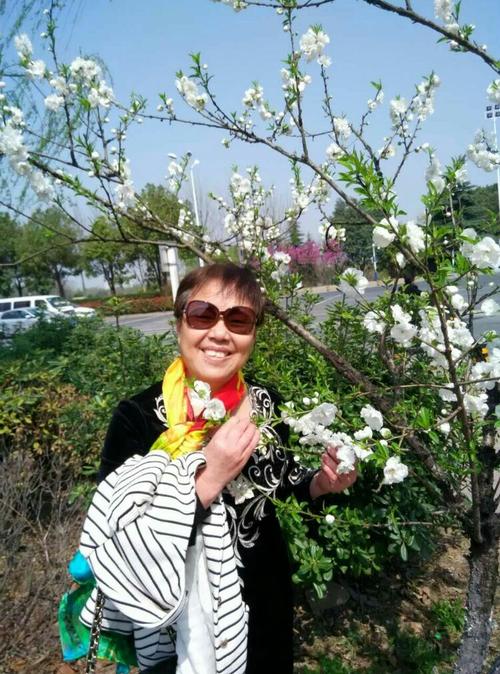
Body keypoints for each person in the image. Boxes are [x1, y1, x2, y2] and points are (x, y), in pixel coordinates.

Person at [76, 263, 356, 674]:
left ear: (253, 334)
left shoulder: (266, 403)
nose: (220, 333)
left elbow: (283, 483)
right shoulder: (137, 417)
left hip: (265, 605)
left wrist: (321, 483)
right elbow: (115, 536)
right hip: (177, 623)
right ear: (179, 323)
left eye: (238, 319)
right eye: (203, 314)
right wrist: (209, 479)